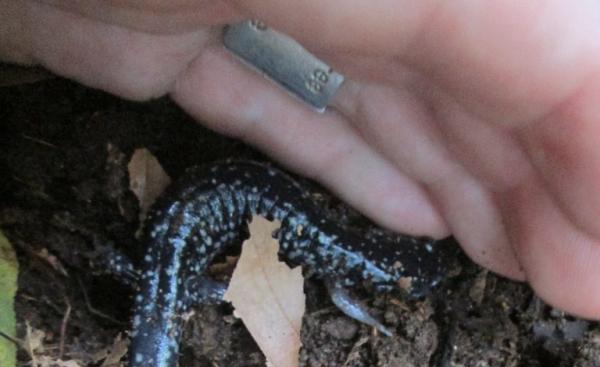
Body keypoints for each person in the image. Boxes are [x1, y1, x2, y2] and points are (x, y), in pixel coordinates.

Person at [2, 0, 600, 319]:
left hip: (190, 224)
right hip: (178, 248)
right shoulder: (343, 275)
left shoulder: (343, 238)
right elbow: (342, 298)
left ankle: (115, 266)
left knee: (168, 289)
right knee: (172, 292)